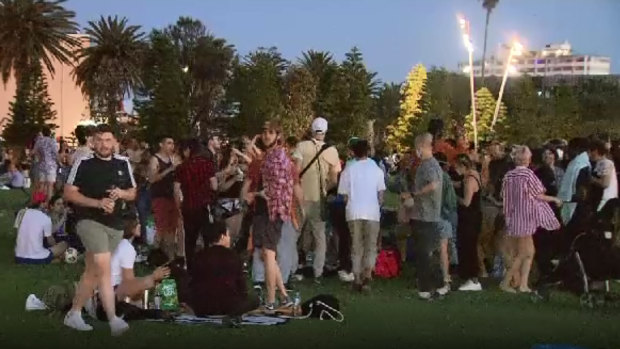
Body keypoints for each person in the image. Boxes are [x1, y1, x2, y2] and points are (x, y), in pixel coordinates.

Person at [63, 124, 137, 336]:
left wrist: (120, 194)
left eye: (108, 140)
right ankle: (113, 320)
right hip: (88, 220)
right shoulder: (83, 163)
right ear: (93, 142)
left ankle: (74, 313)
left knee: (93, 271)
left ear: (114, 142)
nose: (104, 144)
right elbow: (69, 193)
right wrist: (98, 203)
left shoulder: (123, 163)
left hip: (115, 224)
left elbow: (132, 192)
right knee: (103, 267)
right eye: (100, 140)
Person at [242, 121, 293, 313]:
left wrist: (254, 195)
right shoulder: (269, 156)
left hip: (274, 211)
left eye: (271, 133)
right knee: (266, 254)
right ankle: (284, 297)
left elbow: (276, 188)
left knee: (269, 254)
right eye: (264, 132)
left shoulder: (279, 157)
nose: (266, 136)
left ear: (278, 136)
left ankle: (271, 301)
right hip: (265, 210)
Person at [501, 146, 562, 293]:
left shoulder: (508, 176)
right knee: (523, 253)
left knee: (529, 252)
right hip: (526, 217)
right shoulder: (528, 175)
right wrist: (554, 199)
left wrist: (507, 216)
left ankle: (523, 284)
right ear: (527, 159)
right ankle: (506, 282)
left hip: (514, 217)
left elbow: (505, 198)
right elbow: (538, 195)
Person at [296, 117, 342, 282]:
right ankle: (318, 272)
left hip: (300, 197)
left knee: (295, 234)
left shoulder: (301, 147)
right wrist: (325, 189)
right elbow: (334, 179)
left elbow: (295, 172)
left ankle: (292, 269)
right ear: (325, 131)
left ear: (311, 129)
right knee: (320, 237)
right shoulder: (332, 151)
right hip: (319, 199)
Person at [337, 140, 385, 292]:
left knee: (356, 246)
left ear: (354, 152)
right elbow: (381, 195)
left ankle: (356, 277)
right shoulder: (377, 170)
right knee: (371, 246)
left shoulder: (349, 170)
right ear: (368, 151)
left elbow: (344, 195)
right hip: (372, 212)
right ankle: (367, 276)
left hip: (354, 211)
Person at [187, 221, 259, 316]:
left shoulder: (198, 256)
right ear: (222, 236)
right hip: (230, 307)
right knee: (255, 300)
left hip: (202, 307)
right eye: (228, 235)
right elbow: (241, 285)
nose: (230, 239)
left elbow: (193, 282)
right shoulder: (233, 256)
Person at [410, 133, 449, 300]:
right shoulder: (424, 165)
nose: (415, 151)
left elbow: (434, 184)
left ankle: (434, 287)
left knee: (426, 254)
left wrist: (416, 194)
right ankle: (432, 286)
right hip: (421, 214)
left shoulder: (430, 165)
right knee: (423, 253)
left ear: (422, 146)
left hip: (427, 216)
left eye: (416, 148)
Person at [173, 139, 217, 272]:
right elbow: (214, 185)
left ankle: (191, 269)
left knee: (190, 240)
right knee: (208, 238)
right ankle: (209, 266)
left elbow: (176, 190)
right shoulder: (207, 165)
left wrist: (179, 207)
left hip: (188, 206)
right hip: (204, 206)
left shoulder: (181, 168)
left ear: (188, 150)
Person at [110, 218, 170, 302]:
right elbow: (129, 287)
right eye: (137, 223)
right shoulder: (126, 247)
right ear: (131, 228)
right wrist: (153, 278)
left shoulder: (113, 243)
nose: (140, 225)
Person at [454, 154, 483, 291]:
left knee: (469, 247)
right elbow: (457, 184)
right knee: (466, 246)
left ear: (463, 166)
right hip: (470, 218)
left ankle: (472, 278)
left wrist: (454, 198)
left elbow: (466, 202)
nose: (455, 169)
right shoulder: (470, 176)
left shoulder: (470, 180)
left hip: (470, 218)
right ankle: (468, 276)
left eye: (457, 166)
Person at [15, 192, 68, 264]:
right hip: (36, 257)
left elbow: (18, 233)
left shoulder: (21, 212)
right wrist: (56, 246)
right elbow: (50, 241)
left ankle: (54, 259)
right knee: (64, 244)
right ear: (43, 203)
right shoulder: (45, 218)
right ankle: (56, 259)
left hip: (18, 257)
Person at [149, 136, 179, 258]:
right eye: (168, 143)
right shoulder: (155, 159)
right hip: (159, 196)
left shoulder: (174, 158)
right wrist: (170, 169)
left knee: (172, 228)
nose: (171, 146)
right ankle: (155, 255)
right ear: (161, 144)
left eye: (172, 143)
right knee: (161, 226)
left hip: (172, 196)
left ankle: (169, 256)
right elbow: (152, 178)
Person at [434, 152, 458, 285]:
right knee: (447, 245)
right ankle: (448, 272)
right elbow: (451, 200)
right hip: (445, 214)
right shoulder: (446, 178)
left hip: (432, 216)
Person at [589, 139, 618, 211]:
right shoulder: (597, 163)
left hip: (605, 201)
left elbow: (605, 183)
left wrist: (590, 178)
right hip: (598, 200)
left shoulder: (606, 163)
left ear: (595, 151)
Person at [33, 126, 58, 200]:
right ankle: (48, 202)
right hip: (51, 165)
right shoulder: (52, 141)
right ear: (50, 133)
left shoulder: (39, 141)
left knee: (42, 184)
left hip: (42, 165)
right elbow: (55, 152)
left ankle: (40, 200)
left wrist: (39, 156)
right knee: (50, 185)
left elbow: (34, 151)